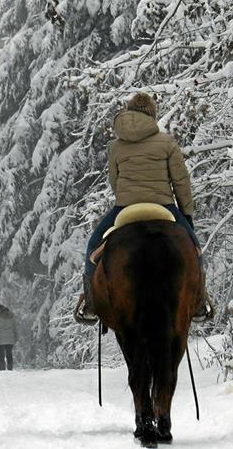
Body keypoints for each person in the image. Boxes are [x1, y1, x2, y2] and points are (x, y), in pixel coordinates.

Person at [75, 92, 213, 325]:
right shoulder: (166, 142)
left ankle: (89, 304)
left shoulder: (117, 146)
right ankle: (199, 302)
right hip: (164, 206)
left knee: (92, 248)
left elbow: (114, 180)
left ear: (129, 113)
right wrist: (186, 214)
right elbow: (181, 181)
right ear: (152, 115)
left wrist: (128, 196)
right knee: (194, 249)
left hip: (125, 207)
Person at [0, 304, 18, 370]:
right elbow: (15, 328)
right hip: (10, 338)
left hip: (0, 338)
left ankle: (2, 370)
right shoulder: (12, 315)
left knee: (1, 355)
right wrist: (16, 337)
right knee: (9, 354)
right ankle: (10, 369)